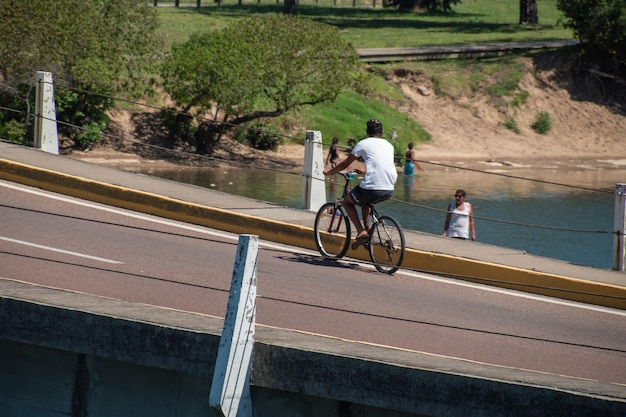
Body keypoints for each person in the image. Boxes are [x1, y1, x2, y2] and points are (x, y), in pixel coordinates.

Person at [323, 119, 398, 250]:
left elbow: (345, 164)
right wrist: (366, 170)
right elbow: (381, 164)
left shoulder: (363, 143)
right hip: (389, 187)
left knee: (347, 202)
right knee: (365, 201)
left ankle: (360, 231)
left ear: (367, 132)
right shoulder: (389, 145)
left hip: (372, 187)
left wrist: (330, 172)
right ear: (382, 132)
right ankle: (367, 232)